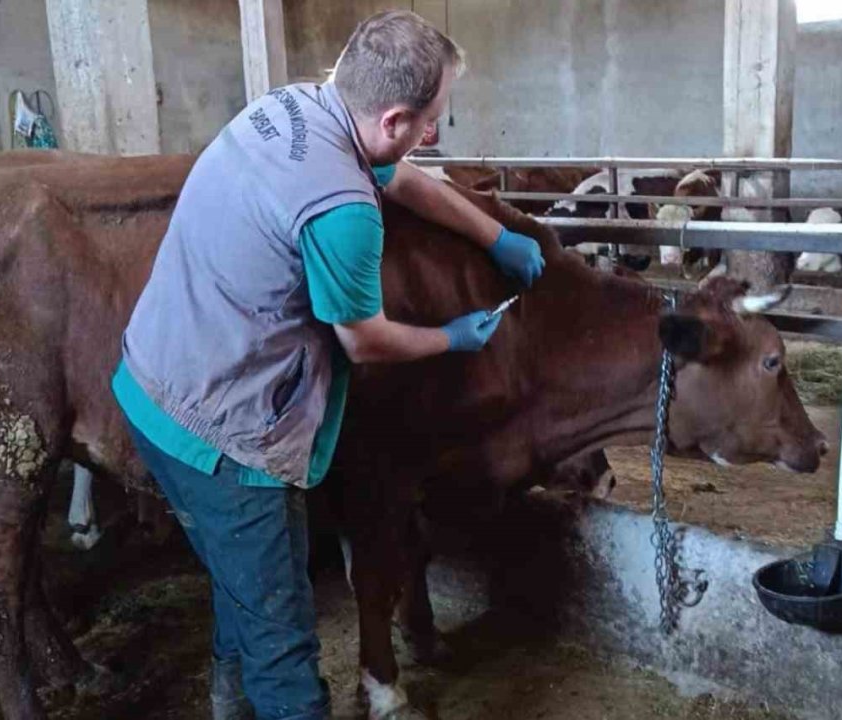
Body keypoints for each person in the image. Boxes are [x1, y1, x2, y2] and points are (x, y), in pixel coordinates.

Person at [112, 10, 543, 720]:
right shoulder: (344, 209)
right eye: (433, 119)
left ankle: (229, 703)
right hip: (223, 434)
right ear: (397, 117)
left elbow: (398, 176)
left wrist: (494, 234)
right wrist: (452, 338)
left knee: (242, 581)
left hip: (151, 378)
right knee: (285, 648)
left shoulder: (293, 108)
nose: (434, 132)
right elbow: (365, 342)